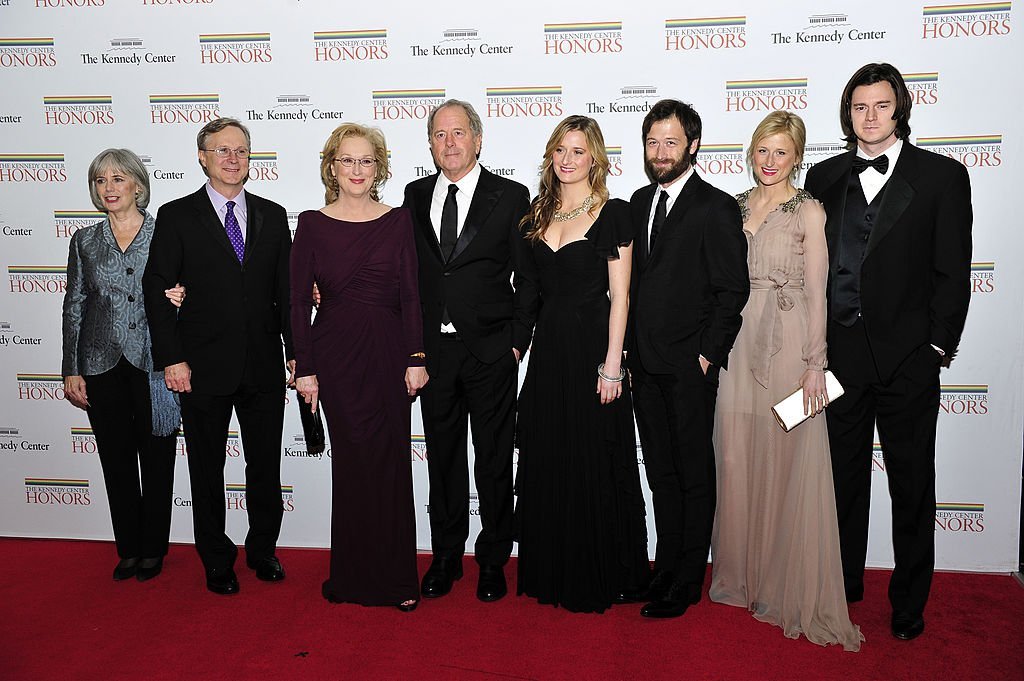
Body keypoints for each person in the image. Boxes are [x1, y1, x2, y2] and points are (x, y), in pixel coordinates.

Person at [805, 63, 972, 641]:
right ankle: (845, 582)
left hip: (908, 362)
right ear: (847, 114)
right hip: (841, 359)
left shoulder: (941, 177)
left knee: (910, 483)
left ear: (899, 109)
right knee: (842, 481)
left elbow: (953, 272)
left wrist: (934, 348)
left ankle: (909, 601)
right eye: (858, 107)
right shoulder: (823, 177)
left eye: (880, 106)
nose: (869, 117)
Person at [709, 111, 863, 650]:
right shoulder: (732, 207)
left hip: (791, 336)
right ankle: (743, 578)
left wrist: (816, 362)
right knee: (736, 454)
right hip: (737, 333)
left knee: (786, 452)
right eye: (761, 151)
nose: (769, 162)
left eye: (780, 152)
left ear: (796, 156)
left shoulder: (810, 211)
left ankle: (780, 582)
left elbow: (820, 288)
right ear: (750, 154)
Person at [143, 117, 295, 596]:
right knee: (207, 469)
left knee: (264, 465)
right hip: (201, 366)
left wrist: (297, 354)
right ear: (202, 157)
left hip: (264, 365)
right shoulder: (176, 215)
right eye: (222, 150)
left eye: (241, 150)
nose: (233, 158)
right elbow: (157, 289)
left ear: (251, 159)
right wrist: (172, 358)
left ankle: (263, 549)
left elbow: (285, 294)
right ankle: (215, 557)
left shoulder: (273, 215)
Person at [403, 99, 538, 602]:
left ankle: (492, 559)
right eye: (440, 134)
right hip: (434, 355)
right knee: (443, 460)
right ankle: (444, 557)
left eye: (459, 133)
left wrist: (516, 344)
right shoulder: (414, 195)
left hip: (490, 351)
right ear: (431, 143)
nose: (450, 142)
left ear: (478, 140)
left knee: (494, 459)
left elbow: (527, 277)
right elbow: (412, 275)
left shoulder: (510, 195)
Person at [514, 115, 649, 613]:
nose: (567, 160)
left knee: (595, 457)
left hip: (594, 350)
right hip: (549, 352)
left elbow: (622, 296)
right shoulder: (537, 212)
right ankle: (553, 567)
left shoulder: (613, 213)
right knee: (550, 454)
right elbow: (527, 289)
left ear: (595, 157)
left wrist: (613, 363)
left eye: (578, 150)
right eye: (560, 150)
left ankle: (601, 571)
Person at [291, 123, 426, 612]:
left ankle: (397, 581)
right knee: (352, 464)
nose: (356, 170)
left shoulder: (398, 221)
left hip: (390, 354)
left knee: (391, 465)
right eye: (346, 160)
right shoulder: (311, 223)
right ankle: (350, 577)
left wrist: (416, 356)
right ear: (331, 166)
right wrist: (304, 366)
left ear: (379, 167)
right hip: (337, 356)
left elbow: (411, 294)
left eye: (366, 160)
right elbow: (295, 305)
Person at [625, 99, 750, 619]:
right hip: (645, 366)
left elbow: (732, 290)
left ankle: (687, 580)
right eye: (652, 142)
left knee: (693, 474)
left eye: (670, 142)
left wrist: (706, 357)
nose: (660, 152)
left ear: (693, 145)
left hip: (688, 367)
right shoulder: (636, 202)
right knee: (661, 473)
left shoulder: (714, 206)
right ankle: (666, 566)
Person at [62, 148, 184, 582]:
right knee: (115, 460)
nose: (109, 188)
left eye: (118, 179)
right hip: (100, 362)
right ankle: (128, 547)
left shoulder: (167, 232)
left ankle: (153, 547)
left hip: (155, 361)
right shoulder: (84, 240)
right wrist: (71, 368)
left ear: (138, 184)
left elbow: (191, 287)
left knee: (157, 458)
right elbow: (74, 305)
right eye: (101, 181)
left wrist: (183, 297)